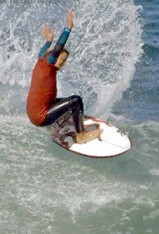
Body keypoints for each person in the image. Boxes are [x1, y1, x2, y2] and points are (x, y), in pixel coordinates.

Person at [26, 9, 102, 144]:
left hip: (35, 113)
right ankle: (81, 136)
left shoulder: (41, 61)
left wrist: (48, 41)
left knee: (66, 103)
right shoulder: (49, 66)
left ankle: (55, 123)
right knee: (75, 101)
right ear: (54, 57)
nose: (64, 63)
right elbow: (58, 47)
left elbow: (44, 51)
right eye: (63, 59)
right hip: (41, 117)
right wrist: (68, 28)